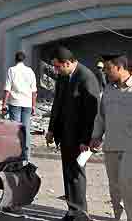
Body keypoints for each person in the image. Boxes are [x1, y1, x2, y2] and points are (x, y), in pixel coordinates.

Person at [45, 47, 100, 221]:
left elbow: (92, 113)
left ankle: (81, 213)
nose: (56, 70)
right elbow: (57, 104)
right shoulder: (62, 77)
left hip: (80, 138)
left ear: (68, 63)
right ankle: (72, 210)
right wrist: (51, 129)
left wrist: (86, 139)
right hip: (65, 134)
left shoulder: (86, 77)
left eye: (58, 67)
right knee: (68, 173)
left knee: (77, 174)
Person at [90, 54, 132, 221]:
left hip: (130, 146)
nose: (105, 72)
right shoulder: (108, 89)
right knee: (115, 188)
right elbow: (101, 116)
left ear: (120, 67)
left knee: (127, 184)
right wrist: (96, 136)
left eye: (108, 69)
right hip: (112, 145)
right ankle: (118, 217)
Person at [2, 51, 37, 163]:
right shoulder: (30, 71)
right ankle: (26, 157)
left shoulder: (11, 70)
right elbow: (34, 91)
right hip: (27, 103)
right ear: (24, 59)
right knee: (26, 129)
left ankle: (16, 155)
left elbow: (7, 89)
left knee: (15, 130)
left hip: (15, 103)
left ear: (15, 59)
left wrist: (3, 104)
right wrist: (33, 106)